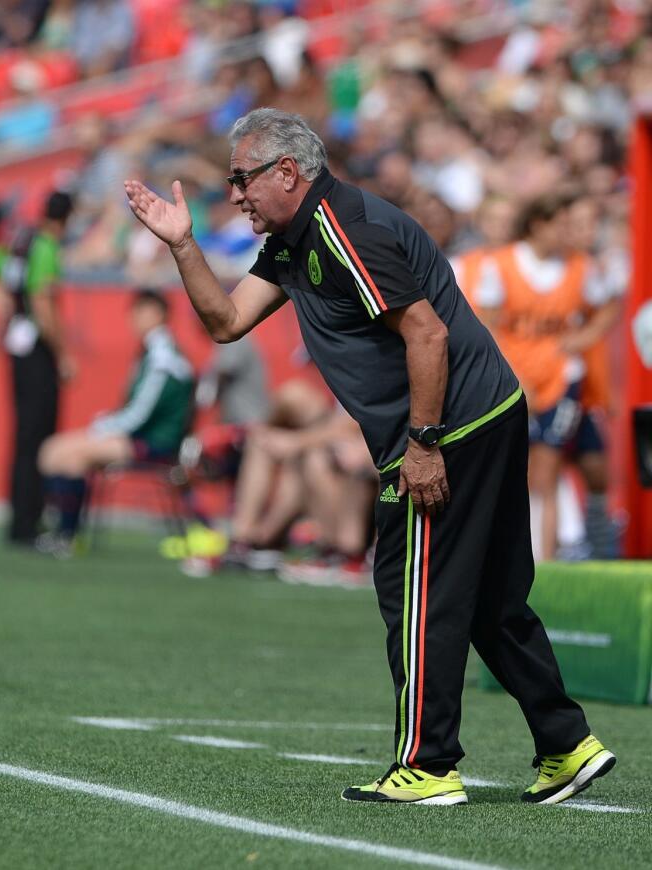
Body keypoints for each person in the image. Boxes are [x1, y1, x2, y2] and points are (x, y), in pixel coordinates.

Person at [125, 108, 614, 805]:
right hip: (489, 412)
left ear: (286, 172)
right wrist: (182, 246)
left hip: (456, 424)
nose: (234, 194)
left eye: (242, 179)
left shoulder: (345, 228)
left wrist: (423, 445)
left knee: (417, 593)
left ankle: (428, 764)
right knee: (492, 602)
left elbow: (428, 336)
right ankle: (567, 745)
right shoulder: (297, 238)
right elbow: (226, 322)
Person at [473, 193, 621, 561]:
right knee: (515, 468)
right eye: (563, 225)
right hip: (513, 375)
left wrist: (584, 337)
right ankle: (518, 553)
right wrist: (515, 375)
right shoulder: (503, 264)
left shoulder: (579, 267)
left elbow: (607, 307)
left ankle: (546, 560)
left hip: (561, 377)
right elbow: (487, 324)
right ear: (538, 225)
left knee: (548, 466)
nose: (569, 233)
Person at [37, 289, 195, 556]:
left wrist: (102, 427)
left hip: (155, 443)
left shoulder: (162, 357)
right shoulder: (150, 352)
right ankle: (64, 533)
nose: (135, 319)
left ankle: (67, 535)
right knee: (55, 452)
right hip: (139, 437)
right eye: (134, 312)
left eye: (142, 311)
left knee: (64, 453)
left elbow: (139, 414)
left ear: (160, 315)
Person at [0, 190, 75, 547]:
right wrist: (63, 354)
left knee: (23, 438)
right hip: (37, 350)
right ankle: (29, 522)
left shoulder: (20, 241)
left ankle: (19, 520)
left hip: (17, 346)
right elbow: (42, 303)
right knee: (38, 438)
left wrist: (4, 305)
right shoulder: (46, 247)